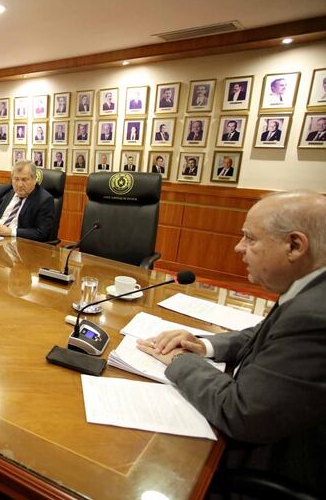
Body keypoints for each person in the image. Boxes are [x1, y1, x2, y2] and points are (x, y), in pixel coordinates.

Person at [136, 191, 326, 494]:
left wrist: (181, 360)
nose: (239, 247)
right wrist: (205, 345)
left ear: (294, 245)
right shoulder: (313, 288)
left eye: (250, 238)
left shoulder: (314, 316)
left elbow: (240, 412)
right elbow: (266, 331)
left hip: (273, 462)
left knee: (151, 463)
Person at [0, 160, 54, 242]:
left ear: (34, 179)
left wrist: (10, 232)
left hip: (19, 244)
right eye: (16, 179)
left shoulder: (44, 199)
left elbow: (41, 233)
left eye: (24, 180)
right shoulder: (3, 191)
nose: (19, 185)